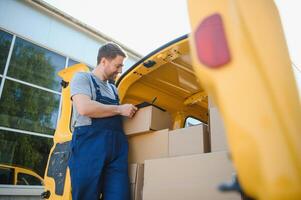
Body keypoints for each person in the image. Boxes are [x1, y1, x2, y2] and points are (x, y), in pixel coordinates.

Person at [68, 42, 138, 200]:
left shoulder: (114, 89)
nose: (120, 70)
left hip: (117, 152)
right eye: (117, 65)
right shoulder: (83, 78)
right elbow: (84, 108)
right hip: (89, 148)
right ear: (104, 61)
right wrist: (120, 109)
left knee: (120, 196)